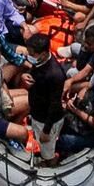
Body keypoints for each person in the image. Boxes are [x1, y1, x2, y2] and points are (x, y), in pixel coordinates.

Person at [21, 33, 66, 164]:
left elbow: (55, 104)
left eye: (32, 53)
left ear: (44, 54)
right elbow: (35, 71)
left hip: (47, 120)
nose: (29, 56)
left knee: (47, 152)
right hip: (37, 112)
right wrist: (26, 75)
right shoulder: (39, 62)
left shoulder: (55, 75)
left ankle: (50, 164)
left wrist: (46, 130)